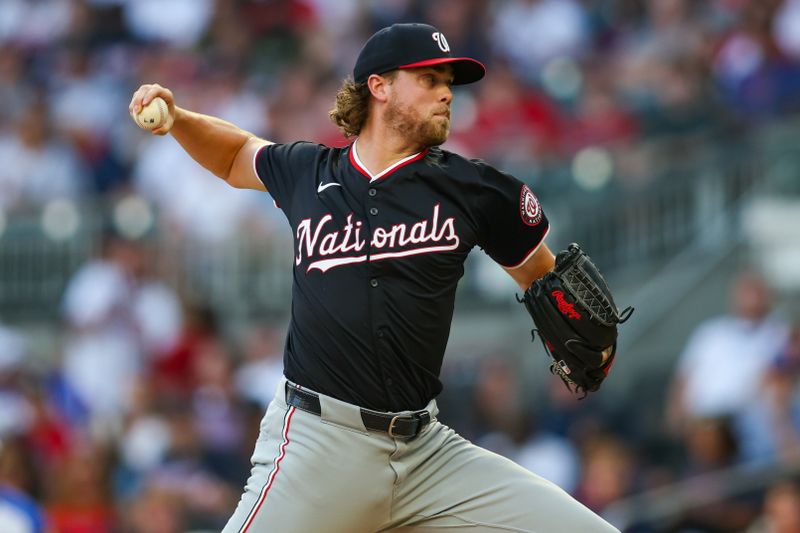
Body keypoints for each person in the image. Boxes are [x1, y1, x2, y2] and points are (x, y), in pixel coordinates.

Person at [129, 22, 618, 533]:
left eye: (448, 81)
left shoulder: (473, 190)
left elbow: (543, 280)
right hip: (319, 447)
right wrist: (178, 120)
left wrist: (583, 335)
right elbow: (235, 155)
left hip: (428, 455)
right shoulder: (309, 173)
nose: (447, 92)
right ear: (379, 86)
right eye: (429, 80)